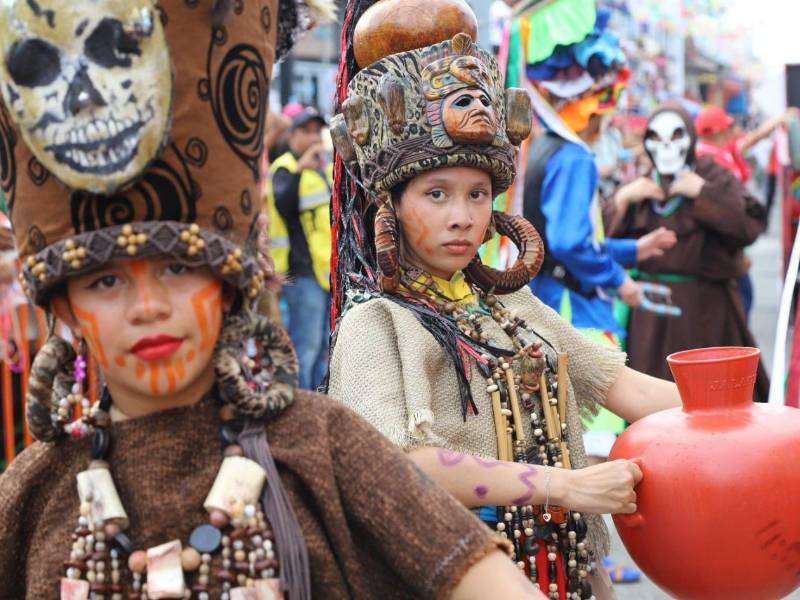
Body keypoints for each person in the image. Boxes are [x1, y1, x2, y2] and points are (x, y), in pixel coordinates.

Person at [0, 2, 545, 598]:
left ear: (229, 282)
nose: (147, 306)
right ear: (64, 308)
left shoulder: (322, 444)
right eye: (106, 282)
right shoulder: (33, 491)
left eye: (179, 268)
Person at [326, 3, 681, 597]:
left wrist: (748, 418)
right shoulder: (376, 323)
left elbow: (628, 389)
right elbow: (400, 464)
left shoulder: (513, 308)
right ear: (391, 205)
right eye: (436, 194)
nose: (462, 216)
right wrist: (564, 486)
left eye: (477, 194)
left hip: (562, 573)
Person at [606, 104, 770, 401]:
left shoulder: (712, 175)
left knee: (712, 397)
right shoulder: (642, 182)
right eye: (657, 137)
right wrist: (623, 198)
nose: (667, 146)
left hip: (706, 310)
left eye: (675, 135)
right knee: (652, 398)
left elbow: (748, 225)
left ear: (690, 137)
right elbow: (600, 240)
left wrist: (703, 193)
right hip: (650, 314)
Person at [270, 108, 333, 390]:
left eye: (316, 131)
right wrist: (300, 169)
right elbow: (284, 206)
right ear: (292, 135)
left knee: (323, 348)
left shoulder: (323, 167)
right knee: (305, 348)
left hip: (323, 271)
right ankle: (301, 405)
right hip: (300, 272)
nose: (313, 137)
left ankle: (320, 403)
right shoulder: (284, 167)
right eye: (305, 131)